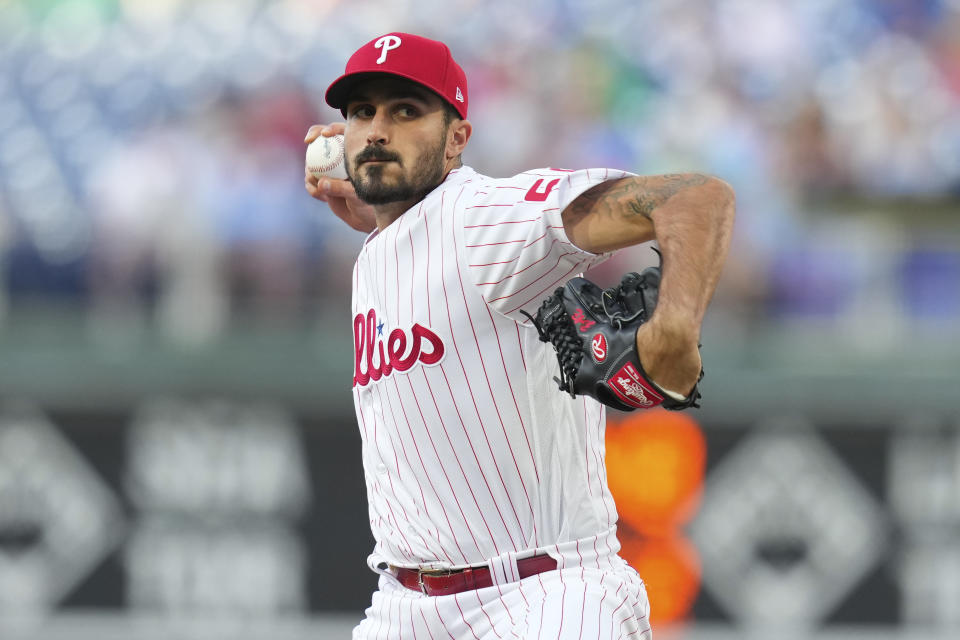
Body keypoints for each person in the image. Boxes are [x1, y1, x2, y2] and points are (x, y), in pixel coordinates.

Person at [305, 32, 734, 639]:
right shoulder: (384, 245)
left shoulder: (486, 219)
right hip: (403, 606)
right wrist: (375, 209)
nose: (377, 129)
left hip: (541, 597)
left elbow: (696, 199)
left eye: (406, 111)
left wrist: (675, 328)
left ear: (457, 139)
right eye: (361, 112)